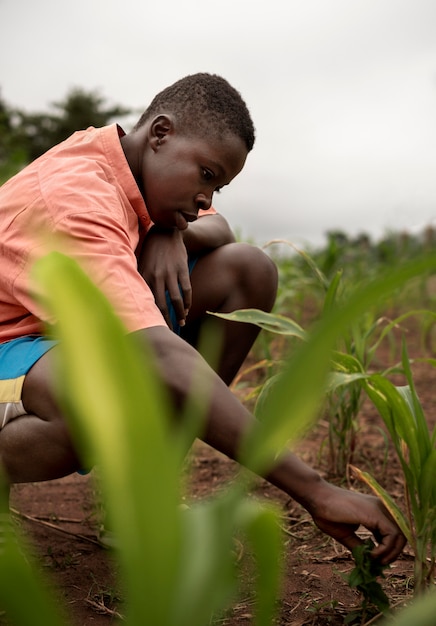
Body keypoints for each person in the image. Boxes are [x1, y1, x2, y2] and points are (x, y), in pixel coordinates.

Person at [0, 73, 405, 565]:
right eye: (207, 176)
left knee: (247, 270)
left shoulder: (125, 164)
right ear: (161, 133)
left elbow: (221, 227)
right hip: (12, 340)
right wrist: (315, 490)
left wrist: (171, 232)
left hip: (61, 334)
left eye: (219, 186)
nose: (205, 200)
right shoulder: (76, 201)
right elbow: (157, 354)